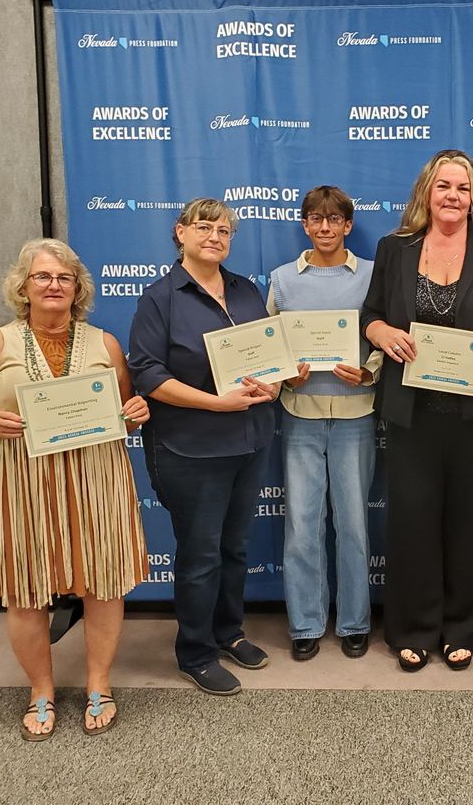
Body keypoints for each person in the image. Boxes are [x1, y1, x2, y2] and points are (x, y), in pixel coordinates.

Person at [0, 239, 149, 740]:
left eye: (64, 278)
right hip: (21, 479)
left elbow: (123, 410)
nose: (54, 285)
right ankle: (41, 690)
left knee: (103, 582)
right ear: (23, 287)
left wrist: (135, 412)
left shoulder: (104, 344)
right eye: (43, 276)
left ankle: (99, 684)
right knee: (25, 589)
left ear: (78, 288)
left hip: (97, 478)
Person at [361, 149, 473, 672]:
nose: (453, 196)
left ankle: (464, 627)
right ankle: (412, 629)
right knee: (411, 521)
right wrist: (383, 333)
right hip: (411, 412)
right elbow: (371, 314)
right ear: (426, 193)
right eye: (444, 186)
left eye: (463, 187)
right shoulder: (394, 248)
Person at [128, 198, 279, 696]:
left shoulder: (246, 290)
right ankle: (194, 652)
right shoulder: (161, 298)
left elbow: (269, 354)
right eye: (204, 227)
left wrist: (276, 382)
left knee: (235, 548)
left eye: (224, 230)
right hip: (191, 449)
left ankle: (227, 632)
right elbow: (148, 374)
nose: (215, 236)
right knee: (201, 555)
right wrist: (216, 403)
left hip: (250, 441)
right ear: (181, 233)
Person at [266, 186, 381, 661]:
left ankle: (354, 621)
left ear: (348, 225)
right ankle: (306, 623)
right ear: (305, 224)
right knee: (302, 525)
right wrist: (283, 372)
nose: (325, 227)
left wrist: (369, 371)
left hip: (356, 414)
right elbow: (267, 342)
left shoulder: (372, 275)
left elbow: (386, 337)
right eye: (316, 218)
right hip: (300, 415)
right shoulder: (282, 279)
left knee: (353, 524)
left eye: (335, 219)